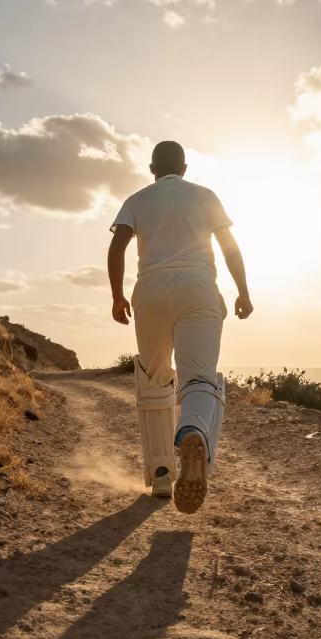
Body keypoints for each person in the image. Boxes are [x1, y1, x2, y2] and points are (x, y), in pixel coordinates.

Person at [108, 141, 252, 514]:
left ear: (152, 167)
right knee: (200, 380)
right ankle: (192, 433)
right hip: (197, 286)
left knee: (154, 379)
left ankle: (159, 475)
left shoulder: (138, 199)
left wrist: (117, 296)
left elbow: (118, 246)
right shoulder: (205, 196)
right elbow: (229, 246)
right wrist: (243, 293)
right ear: (185, 168)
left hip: (151, 289)